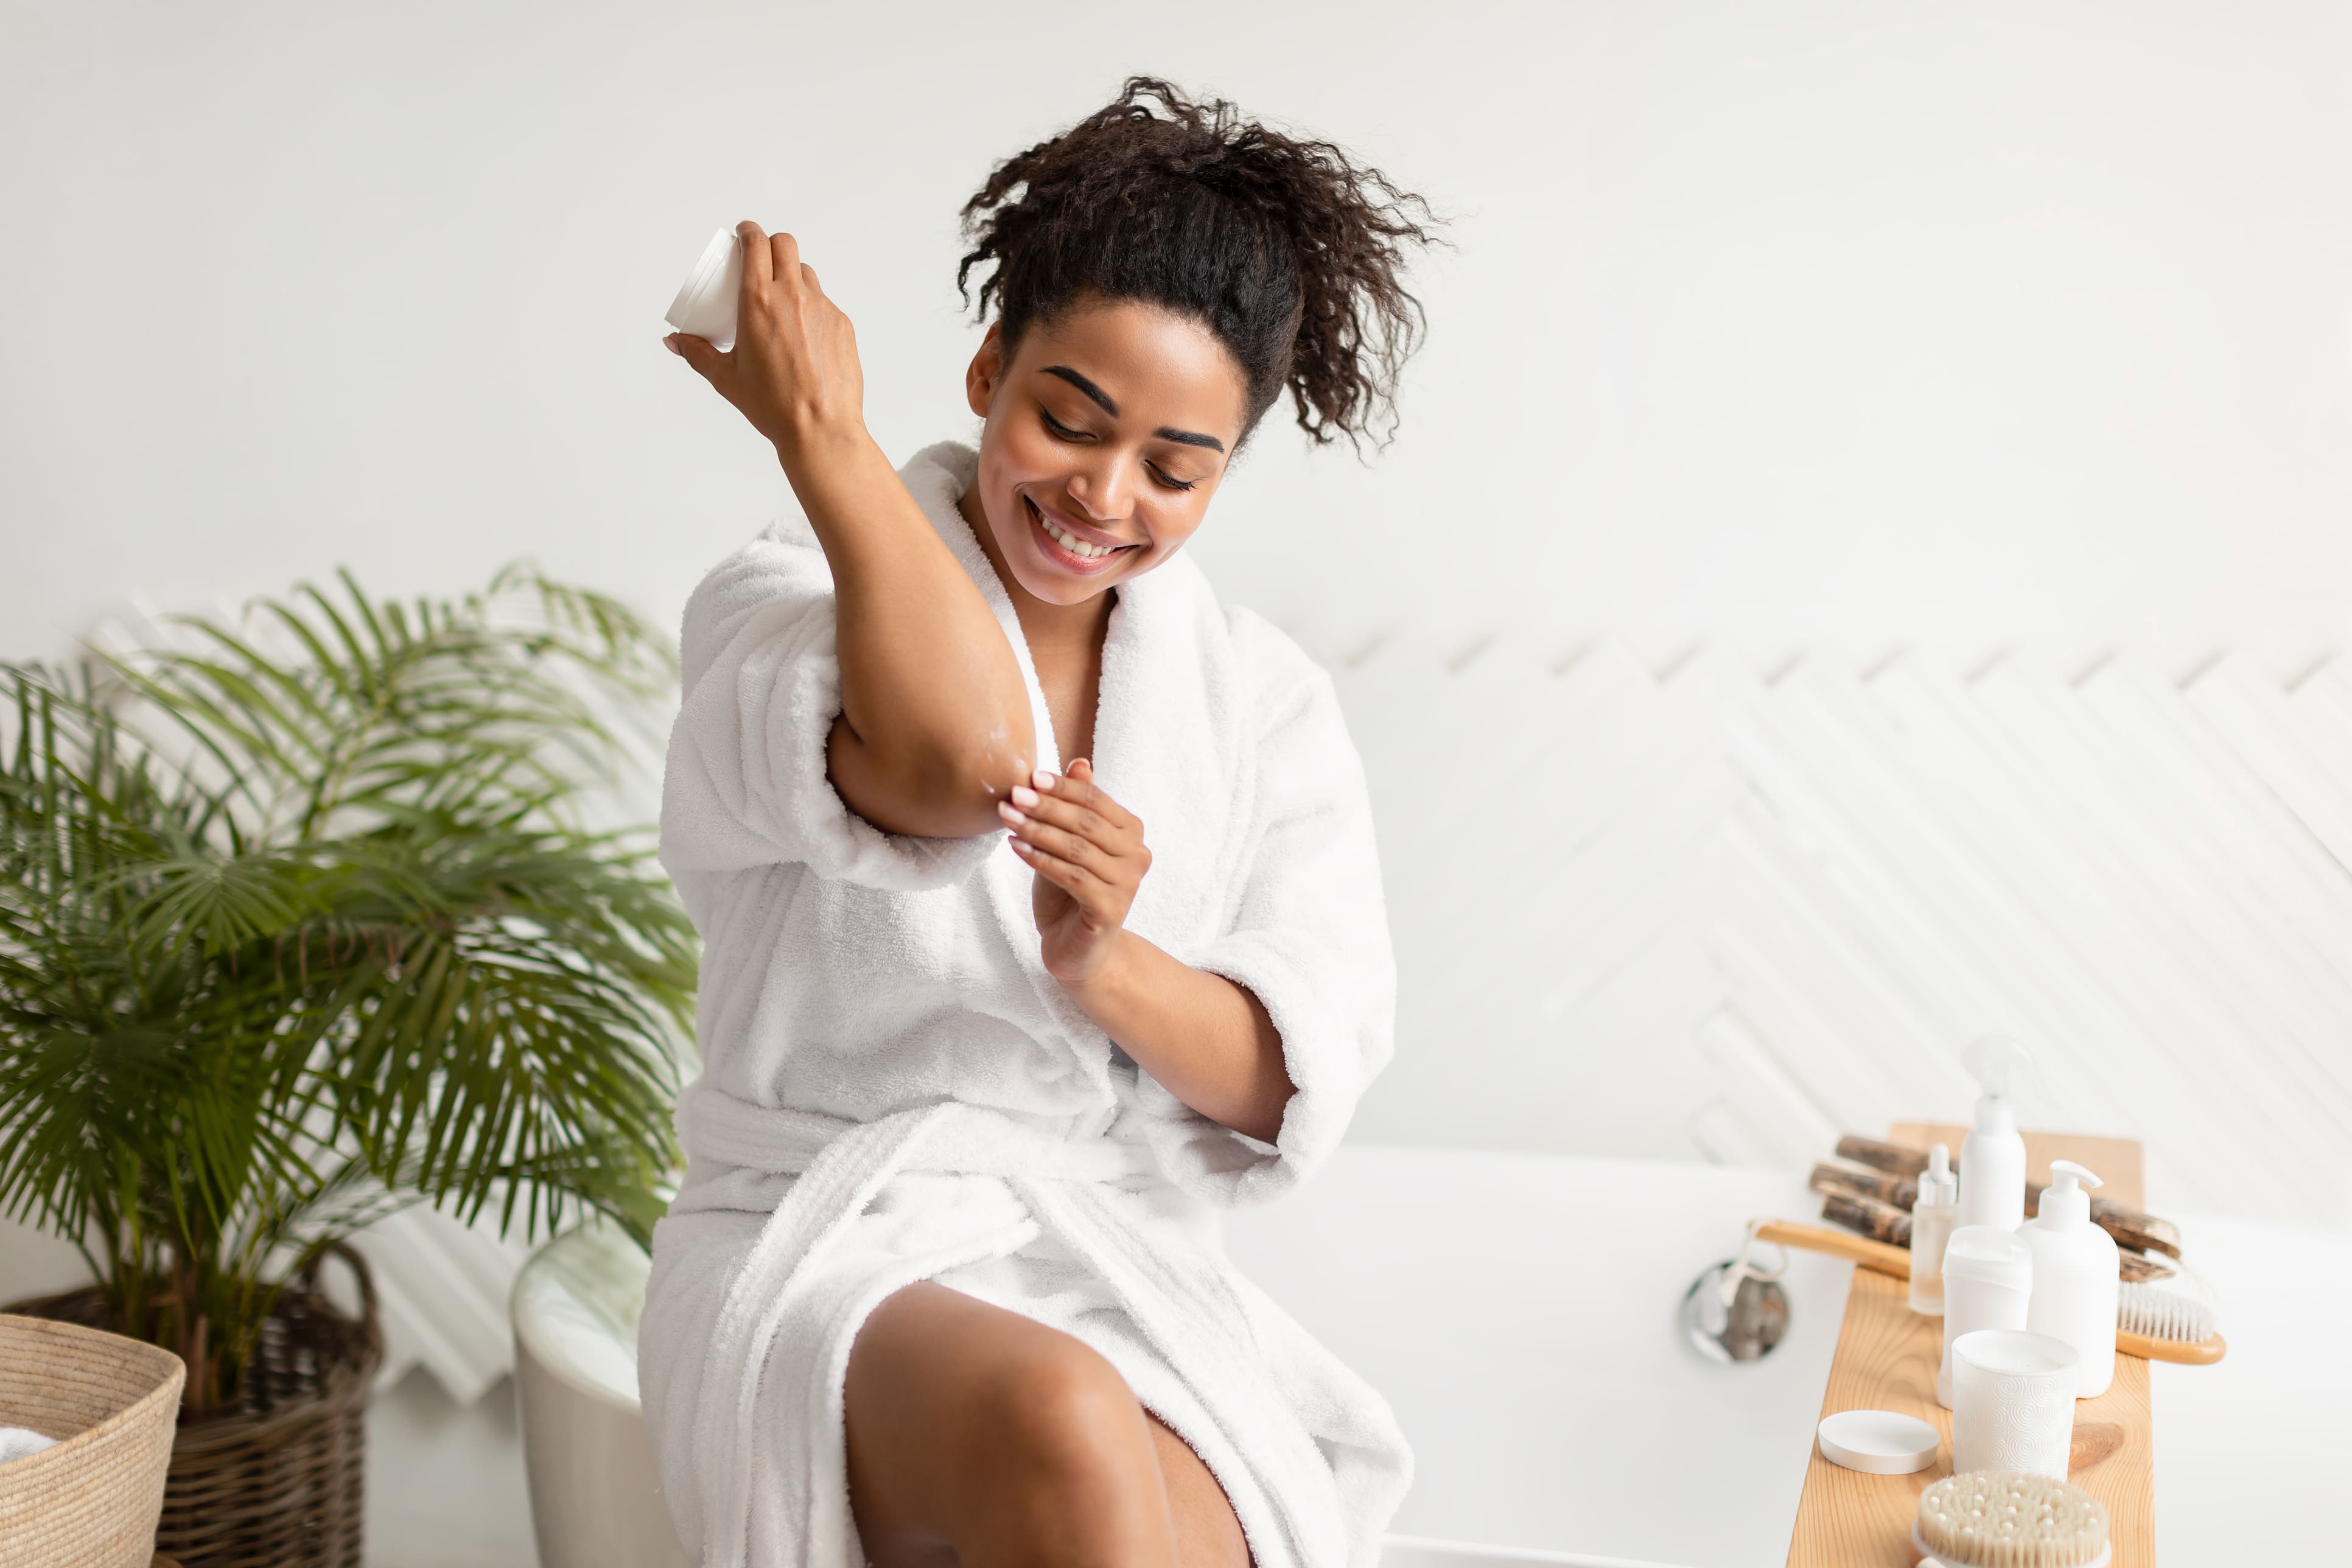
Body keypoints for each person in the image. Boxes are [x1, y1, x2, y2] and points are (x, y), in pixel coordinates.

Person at [639, 77, 1438, 1568]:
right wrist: (824, 441)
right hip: (820, 1238)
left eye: (1174, 469)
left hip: (1102, 1264)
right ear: (987, 368)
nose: (1103, 494)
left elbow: (1285, 1079)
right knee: (1067, 1422)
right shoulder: (785, 600)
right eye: (1068, 420)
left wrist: (1106, 962)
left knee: (1212, 1528)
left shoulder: (1257, 702)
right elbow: (955, 760)